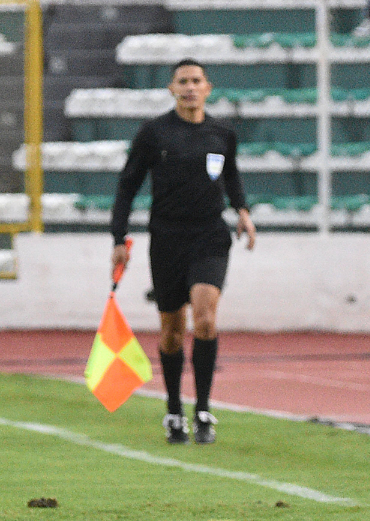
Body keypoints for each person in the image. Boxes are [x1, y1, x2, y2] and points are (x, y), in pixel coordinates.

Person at [110, 58, 256, 445]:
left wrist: (242, 210)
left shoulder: (222, 132)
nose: (190, 87)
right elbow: (127, 185)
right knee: (172, 332)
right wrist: (118, 237)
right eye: (182, 81)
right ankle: (174, 410)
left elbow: (231, 174)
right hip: (167, 239)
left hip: (210, 236)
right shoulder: (154, 133)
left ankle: (204, 409)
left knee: (205, 318)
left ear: (208, 87)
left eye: (196, 80)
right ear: (172, 89)